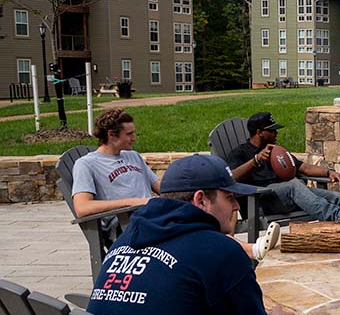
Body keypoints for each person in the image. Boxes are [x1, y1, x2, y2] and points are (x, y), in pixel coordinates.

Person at [86, 154, 323, 315]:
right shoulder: (217, 250)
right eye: (229, 198)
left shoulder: (125, 240)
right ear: (201, 199)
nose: (236, 208)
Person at [73, 109, 278, 263]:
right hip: (127, 225)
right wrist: (136, 202)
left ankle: (232, 253)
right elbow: (82, 208)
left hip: (153, 213)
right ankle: (248, 250)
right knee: (194, 226)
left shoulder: (133, 157)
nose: (134, 138)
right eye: (129, 134)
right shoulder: (87, 164)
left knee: (209, 209)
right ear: (111, 135)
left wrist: (194, 196)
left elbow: (161, 186)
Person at [225, 112, 340, 222]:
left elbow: (303, 167)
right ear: (259, 132)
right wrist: (255, 160)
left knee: (337, 198)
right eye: (272, 130)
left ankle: (336, 235)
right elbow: (231, 177)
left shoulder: (276, 152)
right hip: (261, 200)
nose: (276, 133)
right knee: (294, 185)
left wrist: (328, 172)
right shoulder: (240, 153)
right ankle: (335, 216)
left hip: (290, 196)